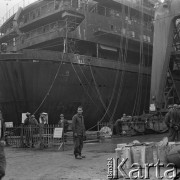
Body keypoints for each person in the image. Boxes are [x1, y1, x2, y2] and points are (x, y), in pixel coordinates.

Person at [0, 111, 6, 179]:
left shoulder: (2, 122)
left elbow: (3, 132)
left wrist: (2, 139)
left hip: (0, 145)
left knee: (2, 171)